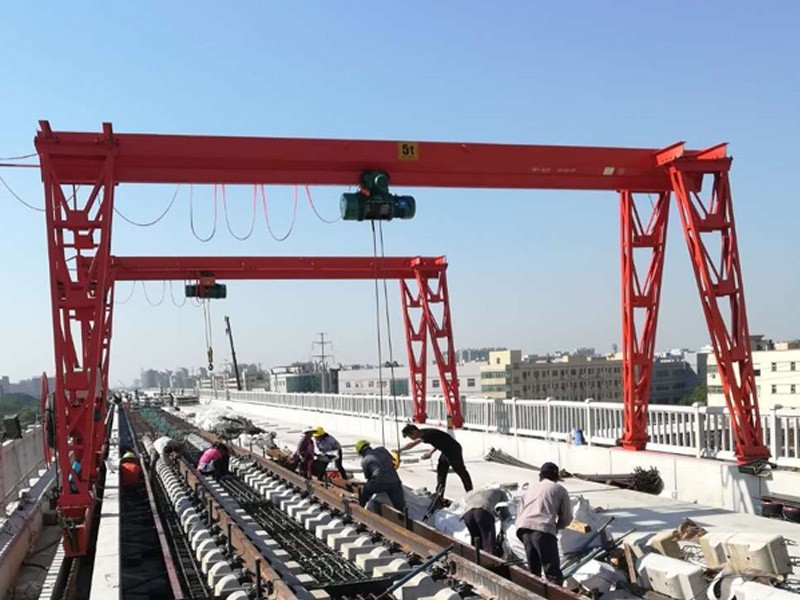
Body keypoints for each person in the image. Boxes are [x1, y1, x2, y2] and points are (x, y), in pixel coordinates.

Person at [515, 462, 573, 585]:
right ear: (556, 477)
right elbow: (566, 517)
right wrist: (556, 527)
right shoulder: (559, 489)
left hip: (523, 529)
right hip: (542, 529)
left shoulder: (530, 489)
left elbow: (520, 512)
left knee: (534, 571)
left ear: (541, 475)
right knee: (552, 573)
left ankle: (533, 592)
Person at [400, 424, 473, 495]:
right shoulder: (424, 433)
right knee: (441, 471)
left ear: (414, 432)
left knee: (460, 470)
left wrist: (399, 450)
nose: (410, 438)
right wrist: (430, 452)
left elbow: (412, 444)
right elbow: (437, 441)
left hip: (454, 450)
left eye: (409, 436)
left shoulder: (426, 434)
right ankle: (439, 494)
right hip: (446, 451)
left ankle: (470, 492)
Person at [355, 439, 406, 511]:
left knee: (366, 488)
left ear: (360, 452)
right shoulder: (382, 450)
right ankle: (402, 513)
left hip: (379, 484)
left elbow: (368, 477)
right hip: (395, 481)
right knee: (400, 506)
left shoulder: (365, 460)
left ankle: (361, 508)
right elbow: (393, 461)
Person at [461, 487, 510, 556]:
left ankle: (475, 558)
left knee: (475, 540)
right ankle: (490, 560)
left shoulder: (479, 492)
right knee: (488, 541)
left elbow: (466, 499)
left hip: (467, 514)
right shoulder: (502, 494)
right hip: (482, 511)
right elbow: (504, 512)